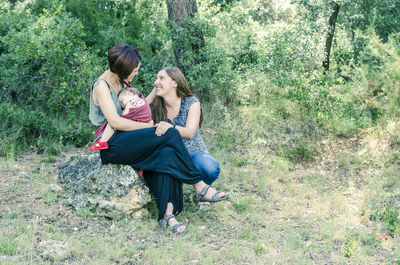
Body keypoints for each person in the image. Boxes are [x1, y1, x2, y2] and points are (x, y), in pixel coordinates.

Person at [89, 43, 228, 234]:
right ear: (125, 69)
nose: (136, 73)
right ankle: (200, 186)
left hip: (129, 139)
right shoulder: (101, 86)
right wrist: (149, 127)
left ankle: (168, 215)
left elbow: (140, 105)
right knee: (169, 132)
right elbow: (116, 122)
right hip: (111, 144)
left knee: (165, 156)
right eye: (135, 70)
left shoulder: (122, 83)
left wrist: (158, 87)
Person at [152, 67, 220, 185]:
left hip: (193, 151)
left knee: (210, 168)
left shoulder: (191, 102)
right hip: (169, 154)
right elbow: (142, 104)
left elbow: (189, 132)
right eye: (156, 78)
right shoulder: (155, 106)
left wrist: (169, 126)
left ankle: (203, 191)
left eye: (161, 78)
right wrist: (158, 87)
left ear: (175, 83)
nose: (156, 82)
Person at [88, 86, 153, 150]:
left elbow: (125, 114)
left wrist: (119, 116)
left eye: (121, 102)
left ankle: (102, 142)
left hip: (137, 124)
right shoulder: (143, 101)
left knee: (111, 124)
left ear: (129, 93)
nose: (122, 106)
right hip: (145, 122)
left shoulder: (132, 101)